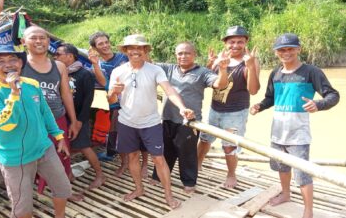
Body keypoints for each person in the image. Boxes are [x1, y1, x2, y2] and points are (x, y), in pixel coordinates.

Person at [0, 0, 81, 195]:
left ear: (48, 41)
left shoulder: (60, 65)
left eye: (43, 37)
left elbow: (65, 94)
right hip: (31, 121)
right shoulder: (18, 64)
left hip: (57, 118)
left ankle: (63, 193)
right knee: (34, 162)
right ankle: (40, 193)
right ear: (23, 42)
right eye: (33, 37)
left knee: (62, 158)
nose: (39, 41)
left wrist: (73, 120)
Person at [250, 33, 340, 218]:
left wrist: (318, 104)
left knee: (302, 174)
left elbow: (333, 95)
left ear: (299, 49)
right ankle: (285, 194)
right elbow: (270, 98)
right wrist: (259, 106)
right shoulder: (275, 73)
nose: (286, 52)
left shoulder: (311, 72)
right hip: (277, 132)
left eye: (290, 48)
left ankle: (308, 210)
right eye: (282, 50)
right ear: (276, 53)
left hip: (298, 134)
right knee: (282, 167)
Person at [0, 44, 72, 218]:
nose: (8, 65)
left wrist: (59, 136)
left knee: (63, 188)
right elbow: (4, 124)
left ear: (20, 63)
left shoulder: (31, 83)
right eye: (0, 61)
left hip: (44, 148)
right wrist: (13, 93)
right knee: (22, 208)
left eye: (13, 59)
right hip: (15, 158)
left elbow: (45, 112)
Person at [108, 34, 194, 209]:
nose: (135, 51)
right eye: (131, 48)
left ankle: (168, 196)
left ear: (145, 50)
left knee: (159, 159)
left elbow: (169, 91)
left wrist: (181, 107)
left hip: (151, 123)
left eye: (139, 48)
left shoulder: (155, 70)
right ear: (125, 51)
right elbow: (110, 101)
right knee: (132, 156)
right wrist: (113, 93)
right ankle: (139, 189)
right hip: (126, 122)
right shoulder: (118, 71)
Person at [150, 42, 228, 194]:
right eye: (180, 53)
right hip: (167, 117)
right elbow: (149, 64)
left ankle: (189, 181)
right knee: (165, 150)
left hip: (189, 121)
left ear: (194, 55)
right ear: (176, 55)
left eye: (187, 53)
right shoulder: (168, 68)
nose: (183, 56)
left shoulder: (203, 72)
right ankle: (158, 176)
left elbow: (219, 84)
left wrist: (223, 70)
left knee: (187, 153)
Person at [197, 25, 261, 189]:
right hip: (215, 109)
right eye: (232, 42)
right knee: (204, 139)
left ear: (246, 42)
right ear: (225, 43)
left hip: (236, 112)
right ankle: (197, 165)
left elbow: (253, 90)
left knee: (230, 146)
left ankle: (231, 174)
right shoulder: (221, 59)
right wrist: (211, 63)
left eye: (240, 42)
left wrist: (251, 66)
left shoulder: (250, 62)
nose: (235, 46)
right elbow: (207, 80)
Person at [88, 31, 148, 178]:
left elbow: (143, 67)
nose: (105, 45)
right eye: (100, 44)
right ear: (95, 48)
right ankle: (124, 163)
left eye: (106, 42)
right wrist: (95, 64)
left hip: (137, 101)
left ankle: (145, 164)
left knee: (142, 133)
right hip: (116, 104)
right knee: (118, 135)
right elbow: (105, 84)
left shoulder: (123, 56)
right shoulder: (98, 65)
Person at [54, 43, 107, 189]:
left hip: (79, 119)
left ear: (70, 56)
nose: (55, 57)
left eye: (58, 54)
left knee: (84, 147)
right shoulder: (58, 73)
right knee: (65, 147)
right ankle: (69, 174)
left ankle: (100, 175)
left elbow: (88, 100)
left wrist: (78, 121)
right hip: (63, 118)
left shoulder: (85, 74)